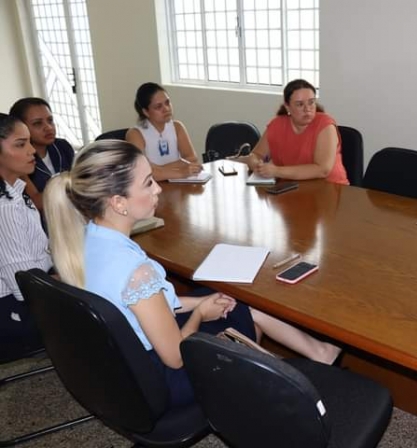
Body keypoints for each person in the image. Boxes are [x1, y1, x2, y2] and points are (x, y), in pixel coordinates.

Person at [43, 140, 340, 407]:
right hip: (165, 379)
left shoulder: (84, 240)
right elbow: (175, 357)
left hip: (122, 368)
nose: (158, 188)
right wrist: (200, 315)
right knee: (242, 306)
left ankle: (312, 355)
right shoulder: (135, 272)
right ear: (118, 202)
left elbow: (146, 305)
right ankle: (273, 386)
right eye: (148, 183)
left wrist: (199, 302)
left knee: (228, 298)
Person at [0, 113, 52, 350]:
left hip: (31, 289)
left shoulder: (15, 191)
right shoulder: (5, 209)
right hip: (13, 309)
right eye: (21, 144)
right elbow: (26, 288)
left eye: (29, 142)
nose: (32, 150)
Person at [242, 79, 349, 185]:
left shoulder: (325, 124)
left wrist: (276, 171)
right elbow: (256, 154)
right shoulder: (277, 125)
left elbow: (322, 170)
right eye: (300, 104)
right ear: (287, 106)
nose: (307, 109)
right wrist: (257, 165)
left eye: (311, 102)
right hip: (292, 189)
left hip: (330, 189)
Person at [126, 82, 202, 182]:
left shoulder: (177, 127)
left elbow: (192, 159)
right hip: (151, 189)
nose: (166, 109)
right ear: (145, 112)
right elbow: (142, 171)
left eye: (167, 103)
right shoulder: (135, 134)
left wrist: (158, 169)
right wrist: (181, 171)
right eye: (158, 107)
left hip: (178, 185)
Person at [9, 97, 75, 210]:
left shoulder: (62, 146)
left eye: (50, 120)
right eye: (37, 123)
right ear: (20, 127)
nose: (48, 128)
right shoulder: (18, 159)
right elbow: (36, 202)